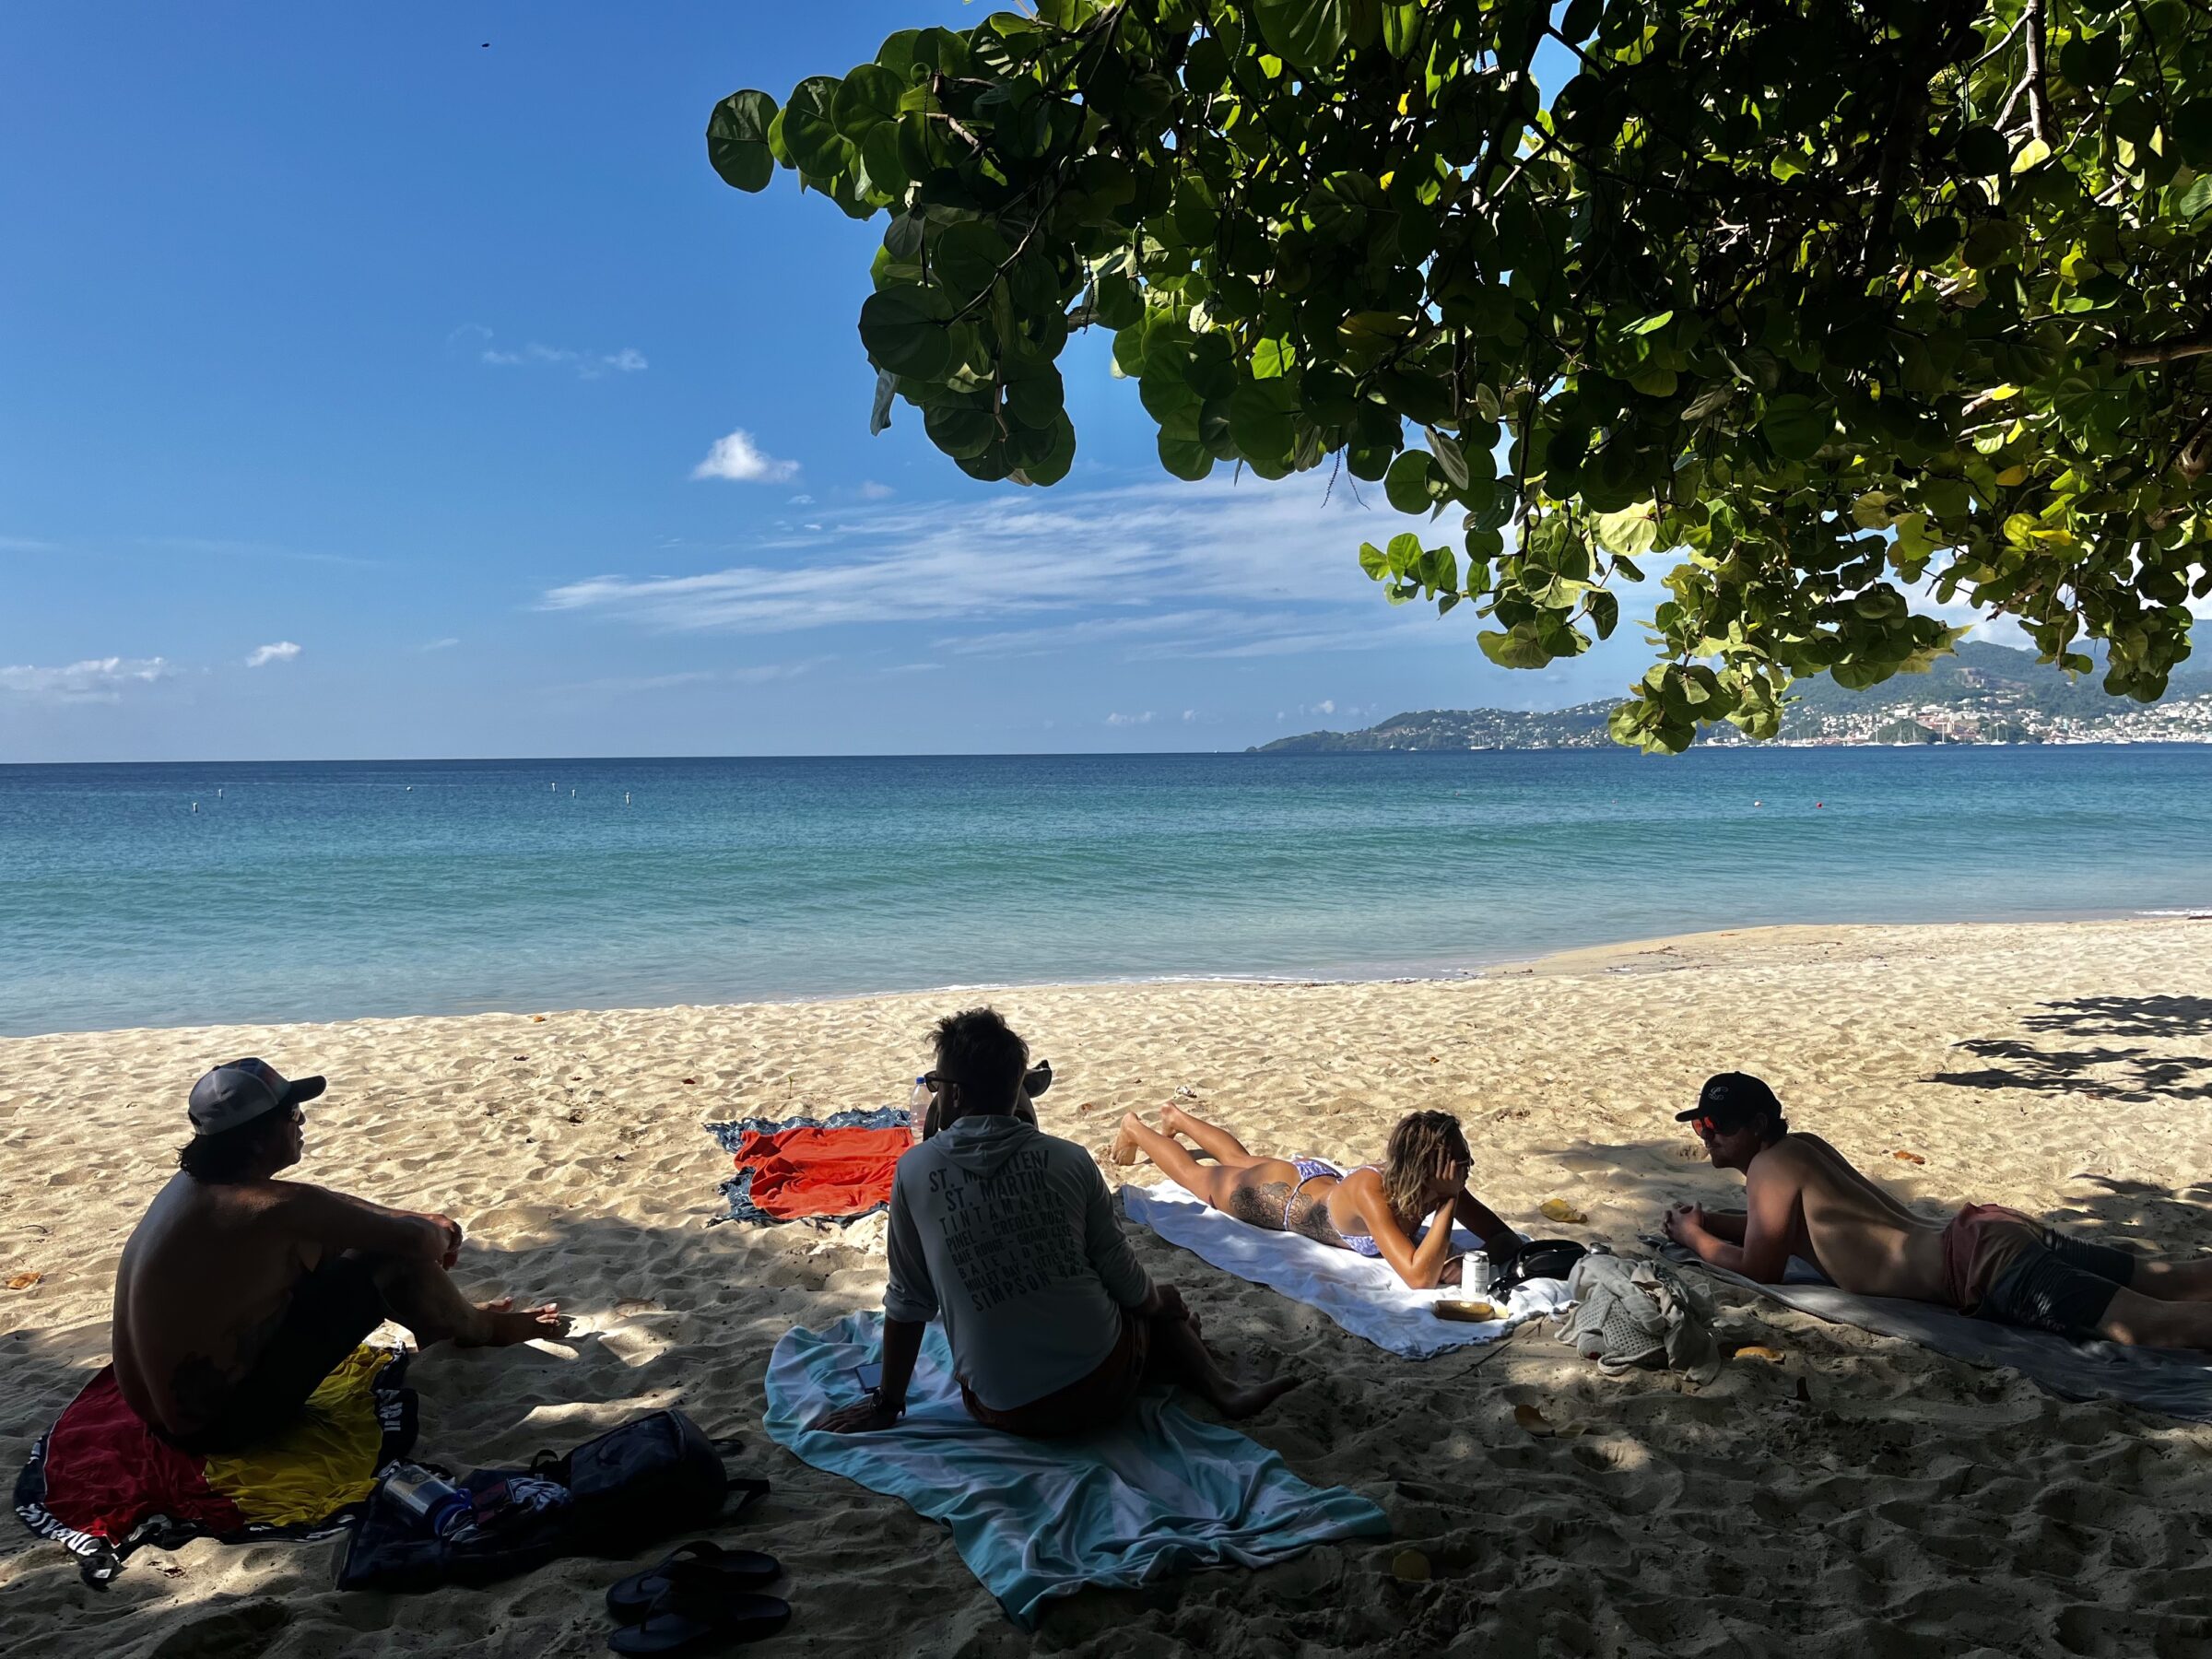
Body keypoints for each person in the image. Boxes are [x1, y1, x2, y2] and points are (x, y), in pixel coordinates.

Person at [815, 1009, 1296, 1438]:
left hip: (1002, 1408)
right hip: (1103, 1386)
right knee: (1155, 1300)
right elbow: (1122, 1276)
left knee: (1133, 1303)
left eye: (937, 1085)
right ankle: (1221, 1389)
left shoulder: (915, 1171)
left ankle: (1176, 1359)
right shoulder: (1068, 1160)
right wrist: (1158, 1305)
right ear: (1017, 1090)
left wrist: (887, 1402)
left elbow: (908, 1300)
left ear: (953, 1094)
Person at [112, 1058, 569, 1452]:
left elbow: (330, 1209)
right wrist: (432, 1231)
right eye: (292, 1114)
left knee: (353, 1242)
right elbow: (410, 1242)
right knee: (391, 1256)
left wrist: (417, 1218)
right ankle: (483, 1328)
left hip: (159, 1413)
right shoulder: (275, 1208)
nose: (302, 1123)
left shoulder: (194, 1187)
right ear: (254, 1139)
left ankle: (451, 1318)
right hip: (224, 1426)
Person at [1663, 1071, 2212, 1349]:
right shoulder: (1798, 1148)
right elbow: (1779, 1233)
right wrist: (1710, 1222)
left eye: (1719, 1127)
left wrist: (1694, 1240)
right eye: (1702, 1126)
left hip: (1983, 1267)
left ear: (1756, 1127)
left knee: (2162, 1325)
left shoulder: (1767, 1170)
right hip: (1988, 1235)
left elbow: (1763, 1267)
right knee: (2175, 1279)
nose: (1709, 1137)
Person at [1111, 1103, 1520, 1290]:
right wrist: (1449, 1203)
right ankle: (1135, 1128)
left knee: (1238, 1157)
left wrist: (1466, 1255)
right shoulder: (1372, 1190)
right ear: (1430, 1167)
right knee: (1196, 1176)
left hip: (1316, 1181)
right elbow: (1417, 1278)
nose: (1467, 1168)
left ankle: (1177, 1117)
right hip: (1279, 1199)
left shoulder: (1438, 1185)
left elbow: (1506, 1241)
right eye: (1461, 1161)